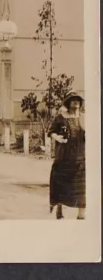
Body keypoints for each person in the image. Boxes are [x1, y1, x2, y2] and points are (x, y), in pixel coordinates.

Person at [48, 91, 85, 220]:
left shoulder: (84, 117)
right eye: (73, 100)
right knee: (60, 182)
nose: (76, 102)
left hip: (81, 156)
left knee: (81, 185)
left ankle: (81, 215)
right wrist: (57, 138)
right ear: (68, 103)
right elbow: (51, 132)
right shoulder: (60, 117)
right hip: (64, 156)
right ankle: (59, 209)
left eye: (78, 100)